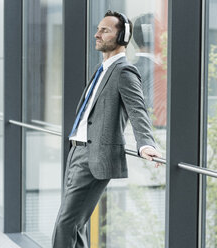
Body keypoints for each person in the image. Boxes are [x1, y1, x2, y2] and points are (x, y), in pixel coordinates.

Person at [52, 10, 162, 248]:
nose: (97, 34)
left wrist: (146, 143)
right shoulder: (102, 69)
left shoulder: (124, 70)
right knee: (75, 225)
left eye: (105, 30)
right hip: (77, 152)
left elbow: (137, 109)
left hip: (94, 156)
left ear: (122, 37)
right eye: (98, 29)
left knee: (65, 224)